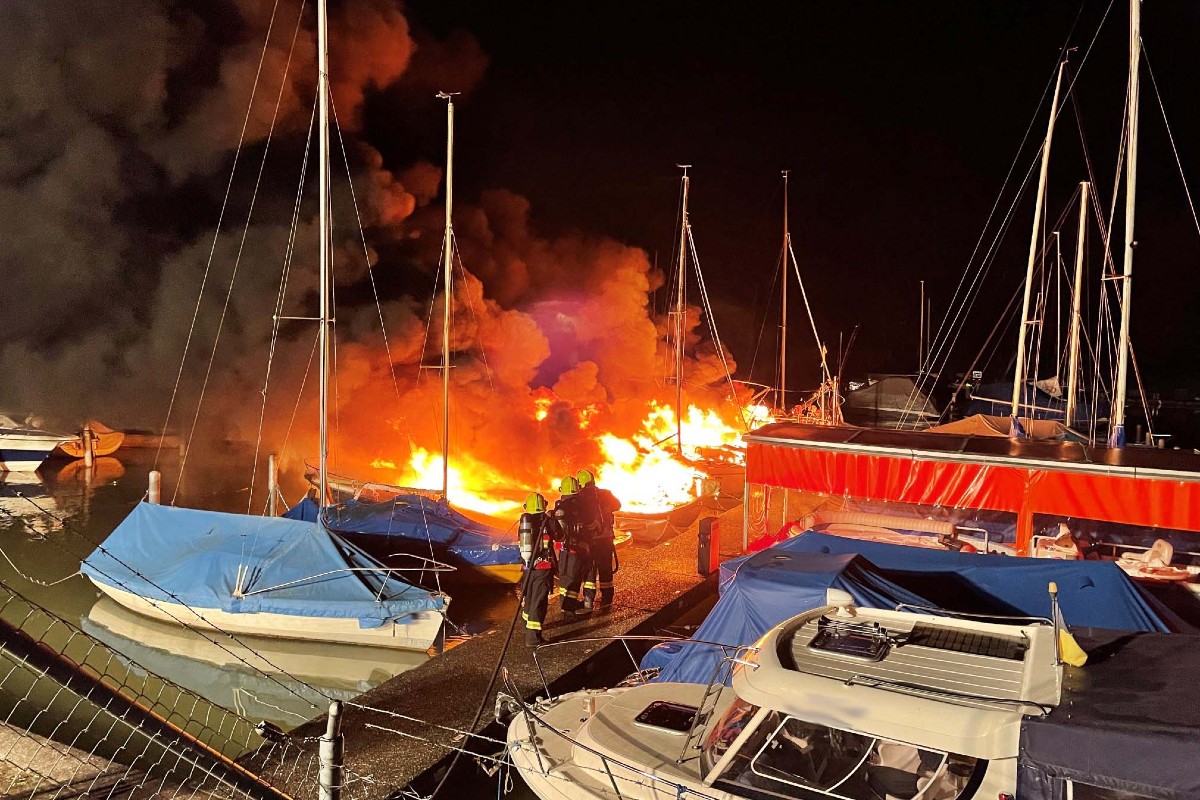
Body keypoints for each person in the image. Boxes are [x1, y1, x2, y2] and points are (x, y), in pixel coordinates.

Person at [517, 492, 562, 646]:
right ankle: (533, 638)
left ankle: (527, 629)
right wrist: (554, 519)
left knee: (529, 599)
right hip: (543, 568)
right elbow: (561, 536)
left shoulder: (525, 523)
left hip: (528, 568)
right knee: (539, 602)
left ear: (526, 507)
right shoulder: (548, 522)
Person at [553, 475, 599, 615]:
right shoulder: (584, 503)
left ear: (562, 489)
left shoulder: (560, 506)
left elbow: (557, 532)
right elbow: (592, 524)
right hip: (586, 546)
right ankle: (588, 603)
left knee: (568, 578)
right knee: (588, 576)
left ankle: (567, 608)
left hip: (569, 549)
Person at [576, 468, 622, 610]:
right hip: (606, 539)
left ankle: (588, 599)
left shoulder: (580, 497)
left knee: (589, 571)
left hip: (590, 540)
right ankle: (607, 598)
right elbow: (618, 505)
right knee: (606, 569)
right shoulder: (605, 493)